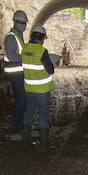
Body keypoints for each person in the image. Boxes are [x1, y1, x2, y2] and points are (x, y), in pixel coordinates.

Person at [20, 23, 57, 151]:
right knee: (43, 116)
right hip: (42, 90)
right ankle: (44, 144)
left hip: (29, 88)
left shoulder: (24, 49)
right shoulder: (42, 51)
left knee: (28, 113)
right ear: (41, 38)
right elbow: (50, 70)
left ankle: (26, 141)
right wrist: (54, 63)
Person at [4, 9, 29, 140]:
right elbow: (12, 56)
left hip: (20, 74)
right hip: (15, 75)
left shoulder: (18, 36)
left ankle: (20, 128)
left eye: (24, 22)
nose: (23, 25)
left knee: (23, 102)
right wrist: (25, 57)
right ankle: (14, 131)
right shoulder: (11, 37)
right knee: (20, 102)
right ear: (14, 22)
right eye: (21, 22)